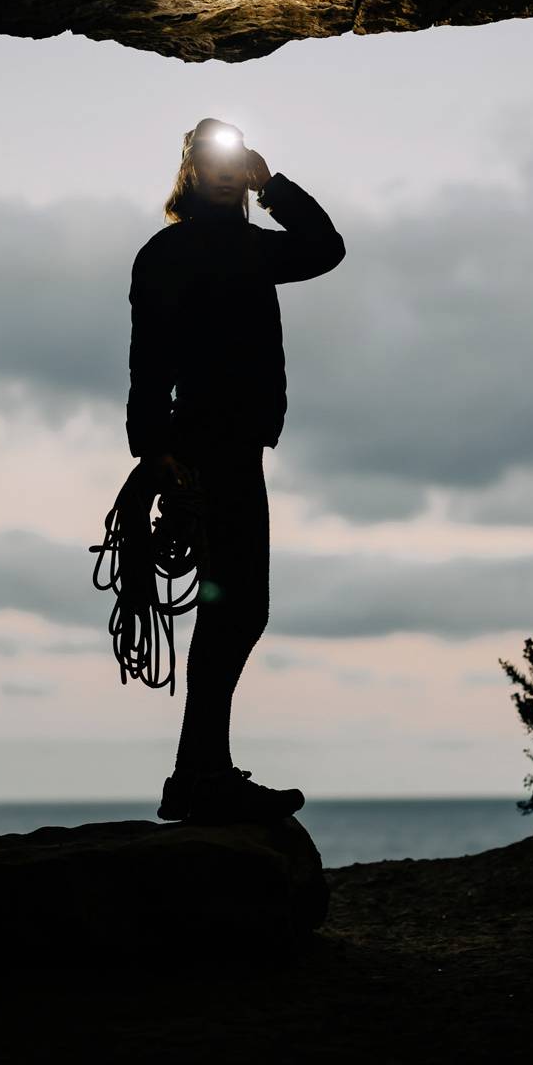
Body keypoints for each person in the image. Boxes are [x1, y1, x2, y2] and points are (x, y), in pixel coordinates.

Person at [126, 116, 346, 824]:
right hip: (205, 443)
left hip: (235, 442)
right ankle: (199, 774)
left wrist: (273, 183)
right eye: (210, 159)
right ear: (190, 169)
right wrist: (152, 448)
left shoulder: (251, 247)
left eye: (235, 161)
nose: (224, 171)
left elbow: (325, 249)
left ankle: (199, 771)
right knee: (237, 606)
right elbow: (149, 358)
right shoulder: (167, 252)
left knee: (238, 607)